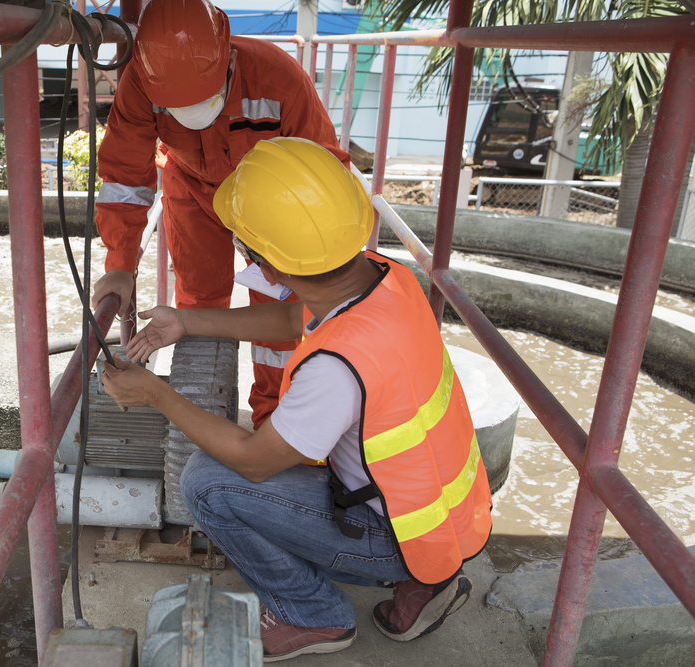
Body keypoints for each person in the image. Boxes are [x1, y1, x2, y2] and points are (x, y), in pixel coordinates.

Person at [100, 137, 493, 662]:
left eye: (245, 247)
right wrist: (188, 321)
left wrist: (155, 393)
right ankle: (427, 579)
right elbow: (292, 317)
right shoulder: (383, 277)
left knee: (207, 483)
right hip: (443, 517)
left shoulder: (336, 367)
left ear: (268, 264)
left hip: (392, 533)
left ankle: (313, 614)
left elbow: (252, 461)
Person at [92, 0, 351, 429]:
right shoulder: (140, 82)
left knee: (284, 320)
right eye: (178, 106)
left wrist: (304, 255)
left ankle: (275, 423)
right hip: (192, 193)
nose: (193, 114)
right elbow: (126, 178)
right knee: (196, 307)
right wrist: (120, 264)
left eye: (205, 98)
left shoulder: (278, 78)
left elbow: (322, 174)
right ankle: (205, 410)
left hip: (273, 207)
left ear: (229, 55)